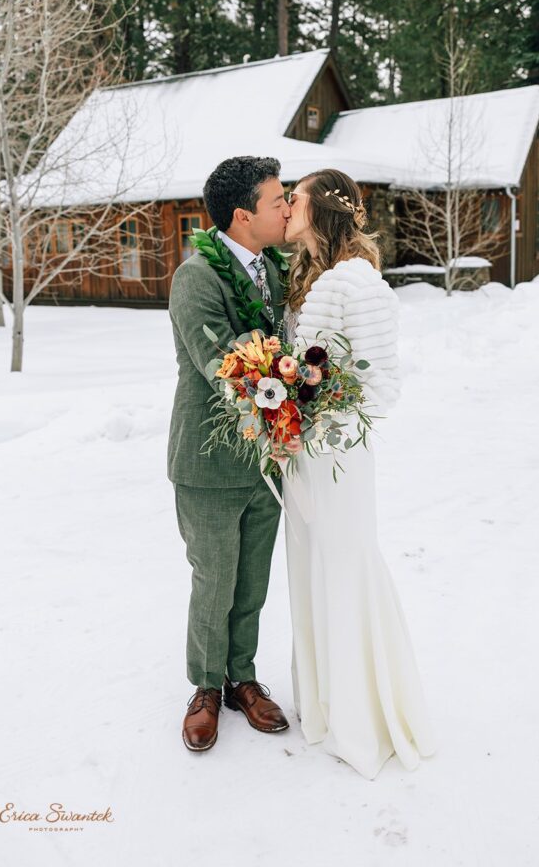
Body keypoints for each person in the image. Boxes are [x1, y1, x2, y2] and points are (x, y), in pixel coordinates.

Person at [281, 168, 437, 779]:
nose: (286, 206)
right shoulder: (317, 279)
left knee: (345, 567)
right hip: (303, 456)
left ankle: (362, 714)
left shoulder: (358, 282)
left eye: (294, 198)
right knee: (311, 570)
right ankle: (323, 702)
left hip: (339, 458)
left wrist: (321, 429)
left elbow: (380, 385)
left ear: (321, 208)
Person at [167, 155, 291, 752]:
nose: (288, 209)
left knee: (252, 583)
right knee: (213, 581)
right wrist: (291, 357)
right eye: (278, 201)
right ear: (244, 216)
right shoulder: (197, 277)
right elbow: (221, 363)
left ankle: (242, 678)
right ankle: (205, 689)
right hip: (209, 461)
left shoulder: (278, 268)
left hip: (266, 459)